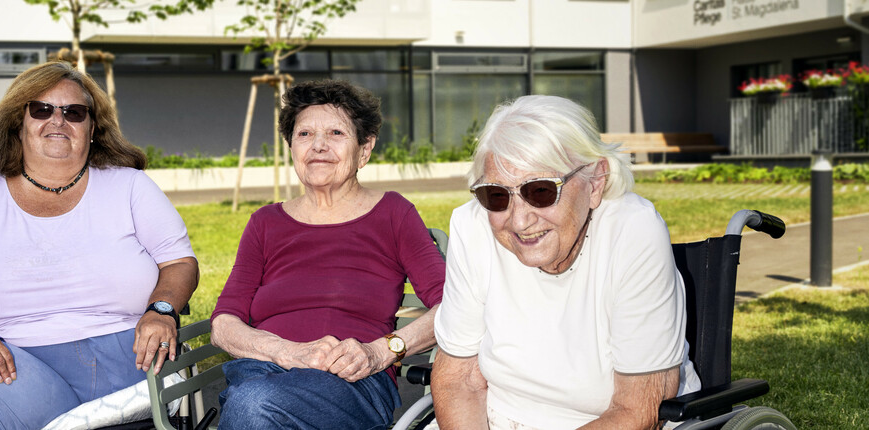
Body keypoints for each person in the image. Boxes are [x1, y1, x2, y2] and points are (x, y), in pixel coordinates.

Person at [0, 61, 199, 429]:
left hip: (125, 362)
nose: (58, 121)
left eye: (74, 112)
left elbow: (180, 262)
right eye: (41, 109)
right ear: (17, 124)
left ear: (92, 130)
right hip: (4, 365)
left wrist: (162, 309)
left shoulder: (130, 187)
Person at [431, 95, 702, 429]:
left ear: (595, 181)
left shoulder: (633, 232)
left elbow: (636, 411)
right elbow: (459, 379)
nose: (518, 221)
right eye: (497, 195)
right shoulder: (472, 225)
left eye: (541, 190)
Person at [209, 80, 446, 429]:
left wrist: (380, 352)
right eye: (304, 134)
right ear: (291, 147)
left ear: (364, 150)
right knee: (255, 398)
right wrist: (286, 352)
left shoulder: (394, 213)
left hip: (350, 381)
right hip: (261, 370)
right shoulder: (265, 222)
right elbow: (223, 324)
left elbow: (454, 304)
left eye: (336, 133)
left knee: (253, 404)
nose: (318, 145)